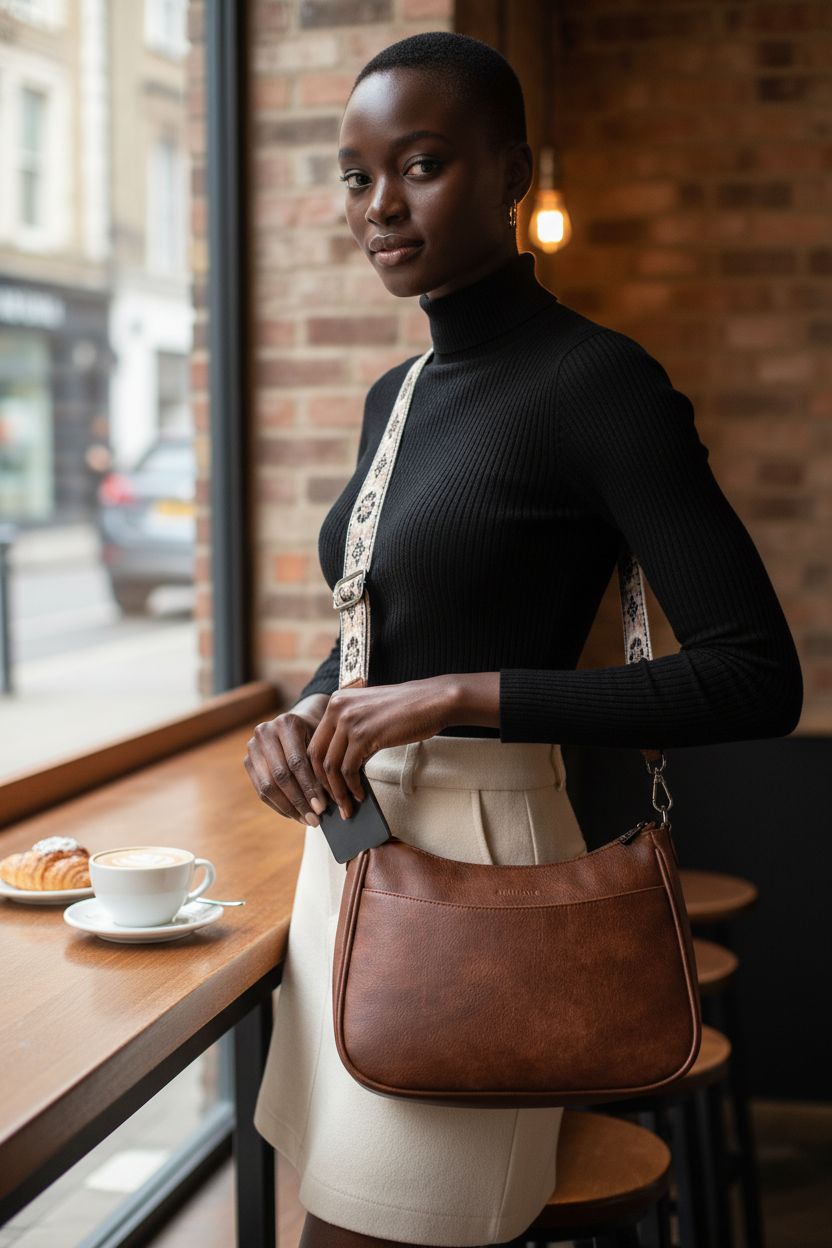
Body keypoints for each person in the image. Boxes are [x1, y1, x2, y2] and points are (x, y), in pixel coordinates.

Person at [244, 30, 803, 1248]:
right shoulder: (393, 398)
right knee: (320, 1222)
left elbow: (755, 677)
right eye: (355, 175)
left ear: (512, 176)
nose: (380, 206)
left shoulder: (599, 384)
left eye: (422, 164)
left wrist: (452, 697)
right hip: (345, 867)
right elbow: (375, 639)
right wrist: (291, 719)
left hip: (482, 887)